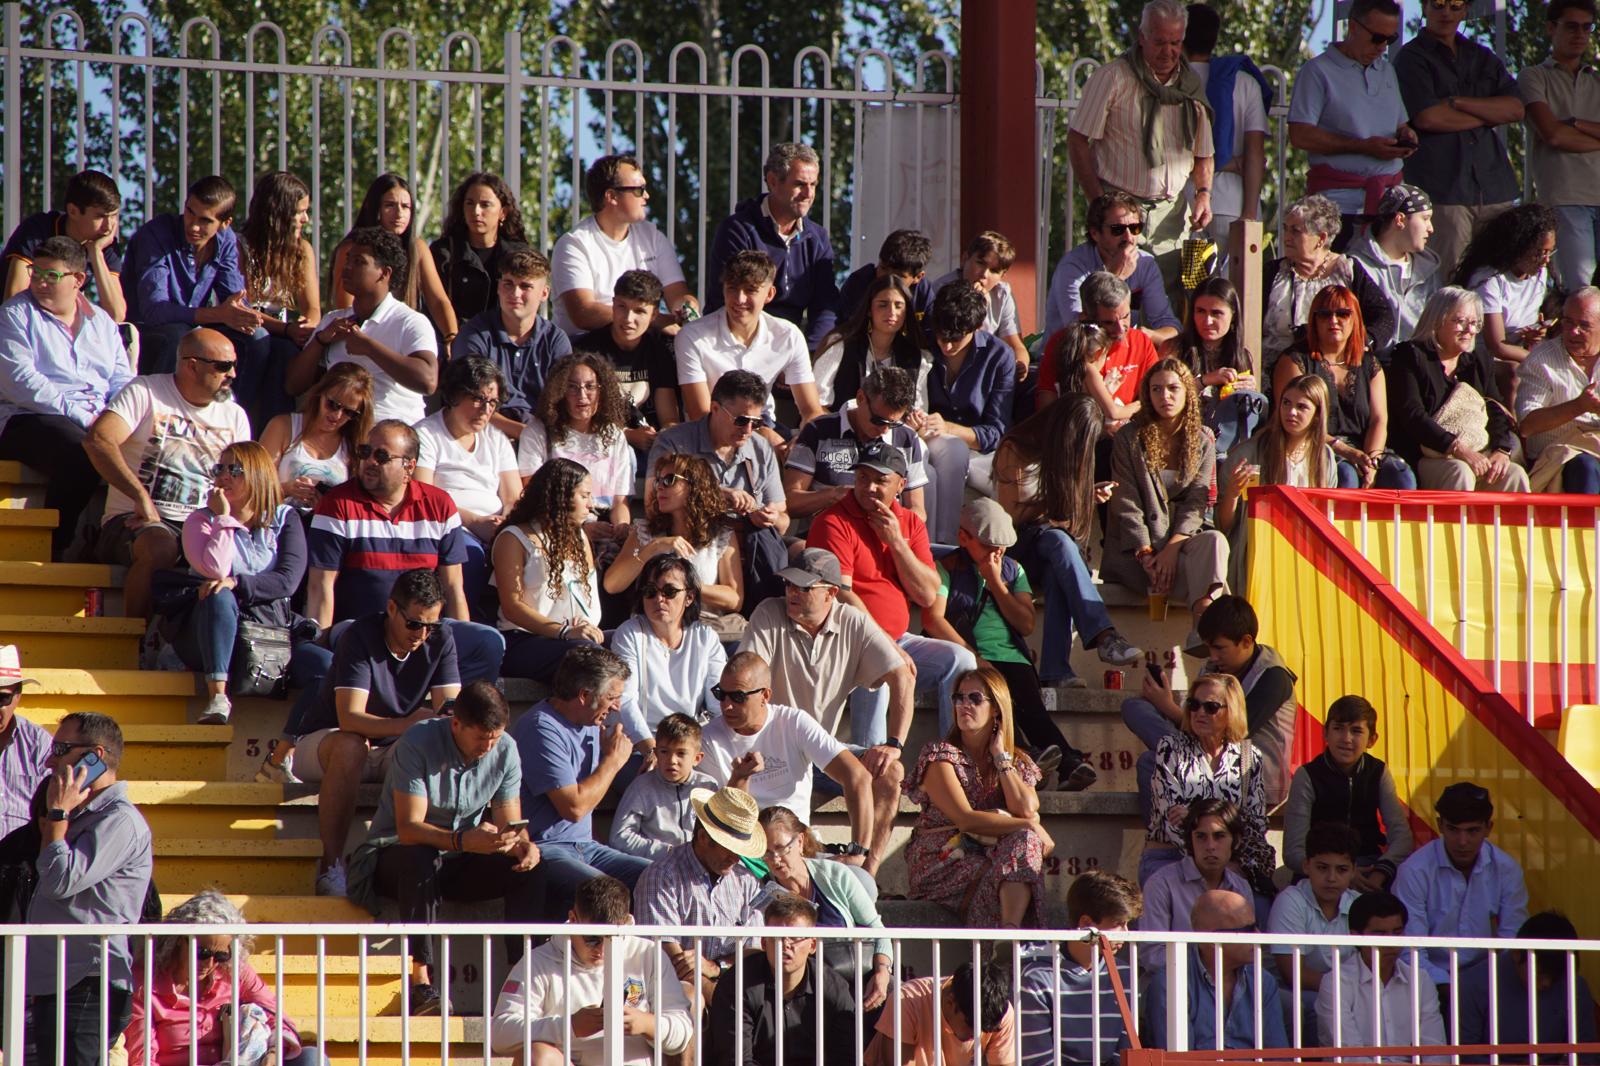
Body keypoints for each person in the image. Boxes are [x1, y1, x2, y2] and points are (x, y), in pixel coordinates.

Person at [344, 680, 541, 1015]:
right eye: (481, 738)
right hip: (397, 854)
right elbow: (408, 829)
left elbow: (510, 822)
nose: (488, 746)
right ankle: (422, 982)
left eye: (494, 738)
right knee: (419, 859)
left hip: (461, 856)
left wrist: (520, 845)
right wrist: (464, 840)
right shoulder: (418, 741)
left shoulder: (505, 748)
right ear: (456, 724)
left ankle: (524, 979)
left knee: (532, 869)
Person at [921, 498, 1116, 789]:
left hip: (1013, 657)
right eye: (989, 545)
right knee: (997, 705)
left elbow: (1025, 624)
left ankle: (1047, 761)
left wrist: (996, 582)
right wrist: (973, 656)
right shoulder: (946, 568)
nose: (997, 552)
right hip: (972, 655)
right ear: (964, 538)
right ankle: (1047, 760)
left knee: (1031, 706)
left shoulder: (1013, 570)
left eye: (1002, 546)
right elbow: (933, 620)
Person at [736, 548, 910, 869]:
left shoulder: (854, 622)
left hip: (825, 751)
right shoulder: (768, 612)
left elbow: (902, 675)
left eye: (803, 588)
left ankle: (865, 873)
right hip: (771, 751)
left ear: (831, 592)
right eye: (789, 584)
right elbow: (746, 679)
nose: (791, 592)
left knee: (891, 774)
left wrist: (894, 744)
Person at [293, 568, 463, 897]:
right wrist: (411, 723)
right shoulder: (361, 634)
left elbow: (449, 710)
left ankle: (410, 860)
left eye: (431, 625)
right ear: (392, 609)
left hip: (392, 747)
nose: (422, 634)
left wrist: (439, 722)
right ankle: (330, 867)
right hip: (325, 741)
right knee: (351, 746)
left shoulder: (441, 638)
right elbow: (350, 718)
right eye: (414, 623)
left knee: (436, 745)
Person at [299, 418, 504, 666]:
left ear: (409, 467)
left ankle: (455, 704)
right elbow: (321, 587)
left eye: (382, 456)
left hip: (423, 630)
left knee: (489, 642)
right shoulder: (336, 504)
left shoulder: (440, 505)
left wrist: (457, 647)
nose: (370, 461)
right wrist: (323, 645)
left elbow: (453, 589)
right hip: (362, 630)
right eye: (365, 452)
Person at [809, 441, 976, 737]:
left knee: (961, 660)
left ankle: (951, 759)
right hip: (846, 640)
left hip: (899, 639)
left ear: (901, 484)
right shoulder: (833, 521)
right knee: (881, 663)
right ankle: (872, 766)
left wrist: (897, 542)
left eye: (880, 480)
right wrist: (883, 643)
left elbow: (926, 595)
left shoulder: (910, 523)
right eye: (862, 478)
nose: (869, 487)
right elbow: (841, 596)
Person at [83, 328, 251, 618]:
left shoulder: (234, 414)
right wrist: (140, 496)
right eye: (223, 366)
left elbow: (247, 478)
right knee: (162, 546)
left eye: (235, 365)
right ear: (191, 365)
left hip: (202, 523)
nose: (232, 374)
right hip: (135, 521)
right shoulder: (146, 391)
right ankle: (131, 645)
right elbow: (98, 440)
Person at [26, 712, 153, 1066]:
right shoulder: (86, 815)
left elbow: (58, 881)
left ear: (94, 756)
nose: (50, 760)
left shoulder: (119, 820)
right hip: (61, 977)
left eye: (61, 748)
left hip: (89, 980)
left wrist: (57, 815)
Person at [994, 394, 1143, 689]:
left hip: (1051, 548)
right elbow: (1008, 517)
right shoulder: (1015, 447)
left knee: (1058, 563)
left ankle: (1055, 671)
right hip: (1015, 547)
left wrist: (1082, 499)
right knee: (1058, 544)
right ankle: (1103, 636)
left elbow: (1069, 527)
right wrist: (1064, 501)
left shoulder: (1069, 456)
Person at [1066, 0, 1216, 285]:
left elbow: (1204, 153)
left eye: (1175, 42)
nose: (1168, 51)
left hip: (1172, 215)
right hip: (1120, 210)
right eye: (1160, 42)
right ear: (1142, 37)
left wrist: (1204, 194)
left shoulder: (1190, 85)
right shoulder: (1113, 78)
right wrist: (1099, 202)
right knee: (1117, 296)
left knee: (1169, 303)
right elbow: (1077, 140)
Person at [0, 235, 134, 554]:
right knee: (82, 454)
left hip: (95, 419)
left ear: (79, 280)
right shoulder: (14, 314)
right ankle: (56, 547)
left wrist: (121, 419)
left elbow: (121, 380)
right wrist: (86, 418)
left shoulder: (102, 322)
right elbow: (20, 381)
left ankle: (117, 543)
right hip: (29, 417)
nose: (41, 283)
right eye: (37, 273)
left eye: (52, 275)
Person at [488, 874, 692, 1066]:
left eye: (613, 940)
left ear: (627, 923)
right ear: (573, 919)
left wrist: (647, 1024)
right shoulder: (539, 961)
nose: (602, 951)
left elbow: (683, 1031)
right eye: (592, 939)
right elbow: (500, 1033)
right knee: (536, 1056)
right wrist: (569, 1026)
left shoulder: (648, 954)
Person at [903, 666, 1051, 928]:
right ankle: (1008, 949)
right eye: (959, 698)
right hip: (941, 859)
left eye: (975, 698)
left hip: (992, 856)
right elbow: (966, 820)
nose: (964, 705)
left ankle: (1008, 936)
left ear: (996, 708)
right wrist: (1028, 826)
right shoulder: (940, 755)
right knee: (1015, 864)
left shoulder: (1015, 760)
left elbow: (1027, 808)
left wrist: (1000, 757)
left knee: (1017, 857)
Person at [173, 440, 307, 725]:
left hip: (266, 629)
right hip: (209, 631)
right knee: (218, 593)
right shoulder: (200, 521)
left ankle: (286, 752)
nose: (223, 476)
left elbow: (287, 581)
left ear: (259, 474)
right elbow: (216, 569)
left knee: (325, 666)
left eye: (235, 469)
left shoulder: (285, 518)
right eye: (219, 468)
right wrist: (223, 519)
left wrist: (238, 582)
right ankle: (217, 697)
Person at [1127, 595, 1298, 814]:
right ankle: (1171, 830)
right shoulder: (1214, 668)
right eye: (1209, 648)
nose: (1213, 656)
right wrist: (1168, 706)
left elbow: (1233, 732)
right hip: (1205, 757)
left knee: (1151, 761)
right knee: (1134, 707)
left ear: (1246, 642)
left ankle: (1168, 839)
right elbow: (1199, 723)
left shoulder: (1273, 677)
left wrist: (1168, 707)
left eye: (1220, 648)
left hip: (1246, 776)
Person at [512, 644, 650, 913]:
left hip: (587, 847)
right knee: (606, 893)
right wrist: (612, 762)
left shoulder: (590, 723)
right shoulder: (541, 728)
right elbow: (573, 808)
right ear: (585, 695)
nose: (617, 707)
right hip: (547, 849)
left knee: (658, 877)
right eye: (612, 697)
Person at [1395, 0, 1524, 281]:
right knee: (1451, 282)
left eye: (1455, 6)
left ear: (1465, 10)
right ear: (1424, 7)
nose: (1447, 13)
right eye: (1439, 4)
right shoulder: (1411, 57)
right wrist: (1488, 113)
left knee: (1499, 279)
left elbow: (1515, 108)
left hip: (1494, 186)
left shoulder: (1481, 56)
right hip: (1444, 188)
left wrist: (1457, 102)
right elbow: (1429, 117)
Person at [701, 653, 876, 859]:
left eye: (738, 697)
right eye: (721, 694)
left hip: (799, 848)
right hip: (744, 854)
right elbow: (718, 821)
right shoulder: (707, 738)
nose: (726, 705)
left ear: (765, 696)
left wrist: (858, 852)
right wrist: (739, 779)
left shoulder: (794, 723)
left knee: (862, 882)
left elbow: (858, 776)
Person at [1102, 358, 1228, 639]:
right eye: (1156, 389)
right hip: (1137, 552)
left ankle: (1201, 628)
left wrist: (1172, 550)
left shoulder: (1204, 439)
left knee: (1215, 542)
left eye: (1173, 388)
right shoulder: (1130, 437)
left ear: (1187, 392)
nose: (1164, 396)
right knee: (1210, 577)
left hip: (1181, 544)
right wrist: (1148, 554)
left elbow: (1197, 502)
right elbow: (1126, 502)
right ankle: (1210, 634)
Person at [125, 890, 321, 1066]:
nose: (210, 964)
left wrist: (274, 1052)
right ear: (177, 941)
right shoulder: (145, 982)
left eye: (221, 956)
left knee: (312, 1058)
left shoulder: (234, 972)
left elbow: (278, 1017)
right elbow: (142, 1059)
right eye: (201, 952)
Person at [1287, 0, 1416, 243]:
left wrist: (1407, 137)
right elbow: (1300, 135)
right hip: (1336, 205)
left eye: (1390, 39)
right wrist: (1362, 146)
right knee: (1335, 280)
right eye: (1377, 38)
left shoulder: (1387, 71)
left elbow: (1401, 124)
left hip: (1389, 204)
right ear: (1353, 28)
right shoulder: (1317, 71)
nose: (1382, 47)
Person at [286, 226, 438, 424]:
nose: (347, 267)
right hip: (339, 435)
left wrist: (368, 347)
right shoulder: (333, 321)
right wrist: (321, 341)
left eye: (359, 262)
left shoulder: (410, 321)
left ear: (384, 273)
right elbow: (293, 386)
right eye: (348, 259)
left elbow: (427, 381)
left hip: (392, 436)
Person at [1137, 673, 1274, 892]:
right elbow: (1171, 819)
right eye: (1193, 705)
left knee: (1259, 911)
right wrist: (1215, 860)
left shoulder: (1249, 757)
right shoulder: (1171, 747)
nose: (1199, 712)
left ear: (1231, 712)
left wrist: (1193, 816)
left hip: (1232, 859)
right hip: (1170, 856)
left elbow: (1255, 823)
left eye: (1210, 707)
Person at [1387, 286, 1529, 492]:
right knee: (1459, 470)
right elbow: (1413, 415)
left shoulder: (1478, 360)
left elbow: (1495, 408)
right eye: (1460, 322)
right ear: (1438, 320)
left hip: (1477, 451)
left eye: (1474, 323)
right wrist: (1457, 448)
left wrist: (1501, 449)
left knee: (1513, 474)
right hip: (1429, 454)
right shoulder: (1410, 356)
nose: (1470, 331)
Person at [632, 785, 766, 1003]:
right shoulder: (661, 876)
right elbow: (668, 959)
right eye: (730, 848)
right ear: (703, 838)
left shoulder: (747, 881)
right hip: (671, 988)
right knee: (692, 997)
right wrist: (722, 998)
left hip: (733, 982)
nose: (736, 858)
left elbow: (754, 950)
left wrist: (715, 967)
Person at [1273, 285, 1416, 489]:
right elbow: (1293, 418)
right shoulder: (1295, 361)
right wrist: (1345, 451)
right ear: (1314, 320)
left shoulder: (1370, 364)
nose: (1333, 320)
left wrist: (1372, 462)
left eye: (1342, 313)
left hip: (1365, 449)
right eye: (1324, 314)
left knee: (1401, 477)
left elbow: (1379, 420)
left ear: (1355, 319)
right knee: (1345, 475)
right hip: (1318, 445)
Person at [1393, 782, 1529, 996]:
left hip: (1488, 982)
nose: (1462, 841)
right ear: (1440, 825)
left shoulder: (1507, 870)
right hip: (1426, 983)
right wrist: (1444, 986)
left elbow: (1512, 942)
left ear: (1488, 829)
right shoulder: (1414, 871)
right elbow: (1411, 949)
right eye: (1453, 830)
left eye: (1472, 831)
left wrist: (1488, 984)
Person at [120, 175, 259, 375]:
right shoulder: (155, 234)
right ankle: (160, 405)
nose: (193, 225)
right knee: (179, 336)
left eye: (205, 221)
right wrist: (219, 314)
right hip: (148, 331)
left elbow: (234, 300)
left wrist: (279, 327)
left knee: (256, 338)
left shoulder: (226, 239)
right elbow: (154, 311)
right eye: (190, 212)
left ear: (225, 223)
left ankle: (234, 406)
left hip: (193, 326)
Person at [415, 355, 520, 617]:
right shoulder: (426, 435)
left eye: (492, 402)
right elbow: (421, 493)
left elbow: (513, 497)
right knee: (468, 556)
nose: (486, 410)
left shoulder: (496, 440)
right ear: (453, 395)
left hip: (496, 528)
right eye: (478, 399)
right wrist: (474, 522)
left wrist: (504, 525)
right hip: (448, 527)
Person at [675, 248, 821, 436]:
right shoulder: (692, 336)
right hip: (710, 432)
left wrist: (801, 445)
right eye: (732, 288)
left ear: (769, 294)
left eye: (751, 290)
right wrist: (763, 437)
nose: (739, 299)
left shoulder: (788, 335)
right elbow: (700, 415)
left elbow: (811, 410)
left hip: (764, 422)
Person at [705, 142, 838, 347]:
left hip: (792, 349)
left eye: (813, 185)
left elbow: (825, 308)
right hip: (736, 346)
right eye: (800, 184)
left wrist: (810, 356)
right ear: (773, 181)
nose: (808, 193)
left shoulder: (817, 238)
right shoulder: (737, 230)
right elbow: (730, 303)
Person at [551, 153, 696, 335]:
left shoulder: (652, 237)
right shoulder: (574, 244)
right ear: (611, 196)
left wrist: (687, 310)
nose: (647, 196)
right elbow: (584, 312)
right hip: (589, 350)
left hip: (641, 346)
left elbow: (677, 294)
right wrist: (651, 319)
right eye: (639, 190)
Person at [706, 893, 857, 1066]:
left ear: (813, 945)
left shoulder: (833, 987)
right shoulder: (737, 984)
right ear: (763, 943)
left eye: (794, 937)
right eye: (778, 936)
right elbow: (736, 1060)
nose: (785, 944)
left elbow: (847, 1056)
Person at [918, 281, 1016, 543]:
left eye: (955, 338)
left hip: (980, 454)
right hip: (928, 440)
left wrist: (949, 428)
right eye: (941, 335)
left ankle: (946, 544)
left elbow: (995, 432)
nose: (946, 346)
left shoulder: (999, 356)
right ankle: (936, 545)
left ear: (976, 328)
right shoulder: (922, 342)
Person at [606, 453, 743, 640]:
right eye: (658, 481)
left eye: (670, 480)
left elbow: (734, 599)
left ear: (695, 487)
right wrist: (653, 548)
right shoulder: (645, 532)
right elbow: (612, 584)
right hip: (652, 631)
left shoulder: (720, 535)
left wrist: (685, 588)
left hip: (703, 631)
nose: (660, 487)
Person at [1282, 695, 1414, 889]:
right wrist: (1339, 873)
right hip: (1319, 870)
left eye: (1356, 731)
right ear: (1326, 733)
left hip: (1369, 867)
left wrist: (1381, 871)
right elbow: (1293, 852)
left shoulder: (1378, 773)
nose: (1346, 739)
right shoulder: (1308, 775)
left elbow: (1401, 836)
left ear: (1372, 739)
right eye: (1338, 729)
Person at [757, 806, 891, 997]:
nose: (775, 860)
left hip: (850, 977)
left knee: (895, 994)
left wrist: (883, 971)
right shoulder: (763, 890)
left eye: (781, 849)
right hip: (797, 990)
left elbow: (875, 926)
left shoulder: (836, 875)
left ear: (800, 841)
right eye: (767, 853)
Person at [492, 457, 604, 683]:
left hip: (572, 637)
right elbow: (512, 607)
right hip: (523, 640)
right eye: (584, 496)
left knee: (621, 640)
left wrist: (584, 623)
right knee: (585, 655)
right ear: (560, 497)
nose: (591, 505)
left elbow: (589, 598)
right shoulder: (513, 538)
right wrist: (563, 632)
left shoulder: (579, 538)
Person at [1018, 869, 1144, 1066]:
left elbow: (1126, 1055)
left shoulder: (1125, 974)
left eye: (1127, 924)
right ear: (1085, 923)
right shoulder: (1036, 978)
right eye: (1118, 924)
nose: (1126, 934)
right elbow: (1038, 1061)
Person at [648, 368, 790, 539]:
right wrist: (718, 494)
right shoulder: (674, 443)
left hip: (751, 545)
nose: (748, 430)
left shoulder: (761, 449)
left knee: (813, 557)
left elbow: (784, 521)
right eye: (742, 420)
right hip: (693, 542)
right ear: (715, 408)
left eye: (756, 423)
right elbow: (653, 505)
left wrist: (771, 518)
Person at [1261, 195, 1398, 367]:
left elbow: (1384, 317)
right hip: (1275, 369)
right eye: (1285, 229)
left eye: (1295, 231)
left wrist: (1362, 343)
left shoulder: (1347, 270)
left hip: (1334, 369)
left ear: (1321, 238)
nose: (1286, 237)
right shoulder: (1273, 273)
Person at [609, 554, 726, 754]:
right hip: (638, 746)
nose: (659, 599)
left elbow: (718, 704)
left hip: (686, 746)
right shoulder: (629, 633)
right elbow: (625, 700)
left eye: (669, 591)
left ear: (689, 597)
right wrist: (652, 752)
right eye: (650, 591)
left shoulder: (706, 638)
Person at [1520, 0, 1600, 294]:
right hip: (1565, 198)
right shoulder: (1533, 75)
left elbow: (1561, 131)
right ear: (1551, 28)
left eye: (1586, 27)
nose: (1580, 34)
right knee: (1579, 292)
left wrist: (1576, 123)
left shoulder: (1597, 81)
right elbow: (1552, 134)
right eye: (1571, 26)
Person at [784, 366, 929, 524]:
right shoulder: (818, 430)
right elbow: (789, 502)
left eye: (893, 423)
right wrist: (833, 495)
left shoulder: (907, 438)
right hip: (827, 533)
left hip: (882, 538)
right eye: (878, 420)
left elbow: (918, 512)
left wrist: (889, 521)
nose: (885, 429)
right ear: (860, 398)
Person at [1145, 889, 1288, 1051]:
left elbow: (1277, 1054)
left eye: (1256, 926)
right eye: (1247, 930)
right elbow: (1179, 1059)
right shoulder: (1171, 983)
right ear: (1211, 939)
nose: (1258, 935)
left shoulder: (1262, 980)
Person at [451, 249, 573, 438]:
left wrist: (536, 437)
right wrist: (523, 434)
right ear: (499, 287)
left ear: (544, 293)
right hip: (483, 432)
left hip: (541, 435)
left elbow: (564, 402)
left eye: (525, 286)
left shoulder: (555, 340)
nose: (515, 293)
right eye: (508, 284)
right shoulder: (474, 335)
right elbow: (466, 402)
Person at [1315, 891, 1447, 1062]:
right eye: (1380, 934)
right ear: (1356, 937)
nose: (1391, 942)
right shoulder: (1335, 983)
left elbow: (1436, 1051)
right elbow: (1350, 1056)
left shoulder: (1420, 980)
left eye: (1397, 933)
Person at [330, 174, 459, 346]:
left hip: (405, 336)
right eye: (390, 205)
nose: (399, 213)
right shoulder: (351, 249)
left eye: (406, 206)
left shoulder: (418, 248)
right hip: (358, 337)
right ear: (374, 208)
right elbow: (344, 308)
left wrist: (452, 339)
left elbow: (438, 300)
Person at [516, 352, 635, 534]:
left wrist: (620, 530)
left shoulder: (614, 435)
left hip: (604, 525)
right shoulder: (538, 432)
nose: (582, 395)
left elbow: (620, 502)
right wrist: (581, 529)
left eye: (590, 387)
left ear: (602, 391)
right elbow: (535, 496)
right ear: (560, 391)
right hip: (557, 527)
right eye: (572, 387)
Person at [234, 171, 318, 428]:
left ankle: (273, 433)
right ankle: (240, 419)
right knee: (260, 342)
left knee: (286, 351)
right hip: (244, 326)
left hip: (282, 332)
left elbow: (313, 307)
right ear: (278, 213)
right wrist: (287, 329)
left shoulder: (302, 249)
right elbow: (242, 307)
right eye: (299, 212)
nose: (306, 218)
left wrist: (306, 326)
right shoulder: (241, 245)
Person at [1182, 4, 1271, 246]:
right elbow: (1255, 152)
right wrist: (1250, 216)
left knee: (1186, 284)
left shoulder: (1173, 81)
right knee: (1234, 284)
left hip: (1184, 207)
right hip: (1234, 204)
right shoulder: (1243, 83)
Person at [1459, 911, 1600, 1064]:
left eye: (1556, 976)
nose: (1547, 983)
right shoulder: (1473, 984)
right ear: (1517, 954)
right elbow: (1464, 1056)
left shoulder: (1576, 987)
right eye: (1540, 973)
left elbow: (1586, 1054)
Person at [1043, 192, 1182, 340]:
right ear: (1095, 233)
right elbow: (1079, 331)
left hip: (1122, 355)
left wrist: (1148, 336)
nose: (1129, 237)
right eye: (1118, 229)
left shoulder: (1145, 263)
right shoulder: (1073, 267)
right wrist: (1115, 276)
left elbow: (1167, 324)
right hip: (1070, 356)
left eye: (1135, 228)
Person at [1267, 822, 1364, 1035]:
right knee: (1316, 1007)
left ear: (1354, 871)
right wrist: (1346, 990)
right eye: (1322, 868)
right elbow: (1292, 974)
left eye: (1342, 869)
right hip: (1295, 992)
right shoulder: (1290, 901)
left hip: (1346, 992)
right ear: (1306, 866)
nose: (1331, 878)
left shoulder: (1360, 905)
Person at [1139, 798, 1256, 971]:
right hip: (1176, 987)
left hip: (1229, 985)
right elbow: (1152, 955)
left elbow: (1249, 951)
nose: (1210, 846)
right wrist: (1207, 965)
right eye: (1201, 837)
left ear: (1235, 841)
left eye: (1219, 836)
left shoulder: (1241, 887)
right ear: (1190, 841)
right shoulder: (1161, 884)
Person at [1216, 373, 1337, 538]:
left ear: (1317, 415)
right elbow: (1223, 526)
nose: (1291, 412)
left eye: (1301, 406)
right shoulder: (1248, 454)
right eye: (1286, 403)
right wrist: (1232, 494)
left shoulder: (1325, 458)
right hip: (1261, 546)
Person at [573, 269, 681, 448]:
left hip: (650, 443)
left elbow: (669, 418)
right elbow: (580, 415)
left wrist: (663, 436)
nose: (628, 319)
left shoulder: (659, 352)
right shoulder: (587, 351)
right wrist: (627, 435)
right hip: (598, 442)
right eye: (622, 307)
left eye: (639, 311)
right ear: (613, 305)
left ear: (654, 315)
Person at [1035, 278, 1160, 428]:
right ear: (1086, 318)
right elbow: (1046, 408)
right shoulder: (1063, 344)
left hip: (1129, 433)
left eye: (1126, 316)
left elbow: (1157, 395)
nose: (1121, 329)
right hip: (1076, 435)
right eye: (1109, 322)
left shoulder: (1141, 341)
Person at [1162, 275, 1265, 457]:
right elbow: (1160, 398)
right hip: (1179, 442)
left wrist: (1248, 393)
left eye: (1216, 313)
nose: (1207, 321)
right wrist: (1205, 380)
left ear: (1233, 315)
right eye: (1200, 311)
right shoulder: (1173, 348)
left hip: (1227, 447)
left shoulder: (1242, 355)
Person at [2, 169, 124, 321]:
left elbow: (117, 315)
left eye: (114, 216)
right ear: (73, 211)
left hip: (56, 328)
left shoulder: (104, 244)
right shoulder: (38, 230)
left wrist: (96, 253)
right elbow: (13, 299)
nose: (109, 227)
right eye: (100, 217)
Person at [258, 361, 373, 514]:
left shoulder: (353, 444)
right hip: (280, 520)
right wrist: (286, 489)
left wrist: (326, 504)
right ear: (320, 394)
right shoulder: (284, 426)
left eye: (349, 412)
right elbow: (255, 486)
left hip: (324, 527)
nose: (337, 416)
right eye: (333, 404)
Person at [1453, 203, 1558, 368]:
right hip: (1484, 359)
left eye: (1549, 252)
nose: (1546, 260)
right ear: (1518, 246)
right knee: (1513, 373)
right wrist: (1541, 362)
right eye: (1539, 252)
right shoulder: (1489, 280)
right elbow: (1497, 346)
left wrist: (1535, 335)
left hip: (1523, 352)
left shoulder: (1539, 273)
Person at [1518, 287, 1600, 493]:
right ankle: (1585, 526)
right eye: (1568, 322)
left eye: (1584, 325)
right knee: (1585, 467)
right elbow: (1527, 425)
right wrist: (1579, 406)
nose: (1573, 331)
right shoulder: (1541, 360)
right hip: (1558, 457)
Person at [812, 274, 930, 413]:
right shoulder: (840, 347)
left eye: (898, 306)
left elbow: (919, 411)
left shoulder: (915, 359)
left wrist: (915, 422)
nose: (891, 312)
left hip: (893, 432)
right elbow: (815, 404)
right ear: (869, 309)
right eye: (882, 305)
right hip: (838, 431)